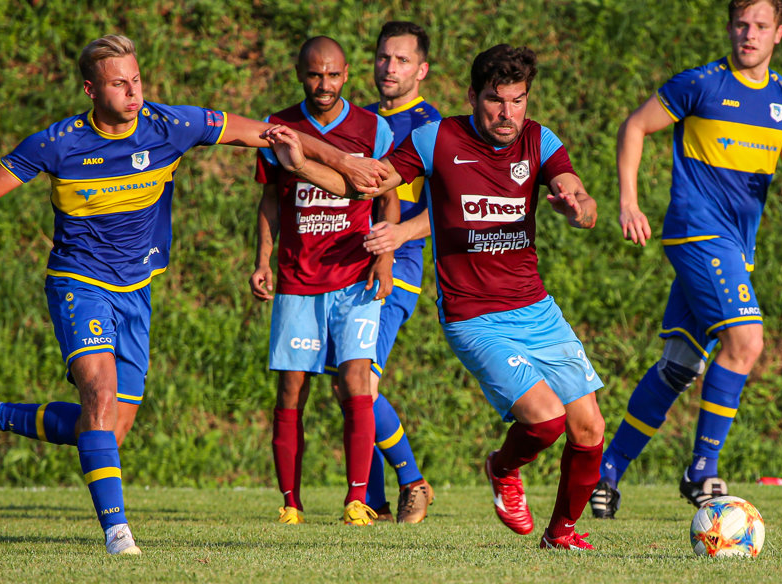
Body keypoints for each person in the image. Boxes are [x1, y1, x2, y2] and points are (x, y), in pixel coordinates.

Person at [0, 34, 385, 555]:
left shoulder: (168, 125)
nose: (133, 93)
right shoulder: (57, 143)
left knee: (109, 428)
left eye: (136, 80)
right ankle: (118, 536)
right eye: (118, 84)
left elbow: (271, 133)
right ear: (91, 90)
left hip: (136, 290)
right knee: (101, 395)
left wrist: (344, 161)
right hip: (79, 283)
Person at [265, 44, 607, 550]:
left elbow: (579, 194)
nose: (507, 113)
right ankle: (502, 467)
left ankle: (560, 534)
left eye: (517, 100)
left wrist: (577, 206)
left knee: (589, 428)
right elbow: (365, 185)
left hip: (536, 309)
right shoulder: (437, 138)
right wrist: (303, 165)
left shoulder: (539, 139)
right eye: (495, 100)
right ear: (473, 96)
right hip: (475, 316)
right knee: (546, 419)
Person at [590, 0, 782, 518]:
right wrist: (629, 201)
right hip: (698, 231)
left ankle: (606, 473)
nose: (749, 34)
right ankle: (702, 470)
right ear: (730, 28)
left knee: (679, 366)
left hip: (737, 246)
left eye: (760, 26)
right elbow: (633, 127)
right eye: (741, 24)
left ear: (778, 34)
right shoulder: (702, 85)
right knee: (746, 340)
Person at [249, 36, 396, 527]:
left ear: (347, 73)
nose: (324, 84)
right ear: (299, 72)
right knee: (292, 391)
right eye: (315, 75)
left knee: (357, 382)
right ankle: (290, 502)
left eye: (333, 75)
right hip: (298, 279)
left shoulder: (373, 128)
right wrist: (264, 259)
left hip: (355, 275)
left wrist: (386, 257)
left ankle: (358, 499)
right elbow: (270, 201)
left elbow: (387, 193)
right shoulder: (279, 127)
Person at [358, 21, 441, 524]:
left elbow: (445, 213)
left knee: (361, 380)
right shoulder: (357, 119)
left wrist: (392, 241)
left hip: (398, 269)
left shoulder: (435, 130)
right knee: (348, 380)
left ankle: (412, 482)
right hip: (347, 264)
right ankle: (371, 502)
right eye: (384, 58)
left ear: (422, 70)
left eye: (403, 60)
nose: (390, 68)